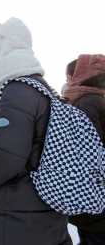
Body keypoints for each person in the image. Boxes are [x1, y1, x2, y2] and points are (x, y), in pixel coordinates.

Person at [0, 18, 71, 245]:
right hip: (35, 209)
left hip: (13, 212)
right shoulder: (40, 87)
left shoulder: (18, 90)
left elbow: (7, 155)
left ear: (1, 51)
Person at [64, 55, 105, 245]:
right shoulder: (97, 100)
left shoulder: (86, 103)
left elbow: (87, 156)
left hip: (93, 199)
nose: (67, 82)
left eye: (68, 77)